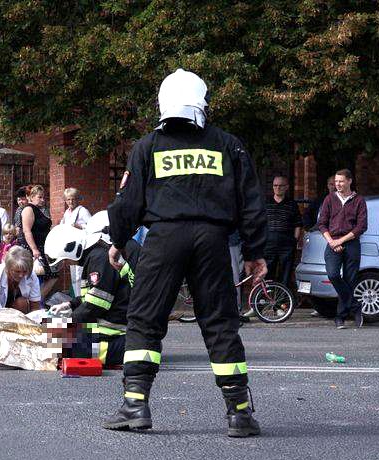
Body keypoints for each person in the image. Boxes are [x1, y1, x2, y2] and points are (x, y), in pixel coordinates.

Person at [103, 69, 268, 438]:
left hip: (163, 239)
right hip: (213, 240)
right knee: (220, 323)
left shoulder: (148, 146)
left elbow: (128, 202)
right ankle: (239, 413)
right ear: (202, 101)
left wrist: (118, 240)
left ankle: (135, 406)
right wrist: (256, 251)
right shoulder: (228, 145)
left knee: (145, 321)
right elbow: (251, 203)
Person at [45, 214, 141, 367]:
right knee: (53, 337)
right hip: (112, 325)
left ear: (72, 249)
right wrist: (70, 305)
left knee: (59, 345)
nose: (68, 263)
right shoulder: (96, 255)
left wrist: (70, 322)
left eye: (65, 260)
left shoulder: (99, 258)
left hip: (114, 331)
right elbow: (94, 295)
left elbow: (97, 304)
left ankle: (126, 351)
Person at [317, 169, 368, 329]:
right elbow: (322, 223)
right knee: (332, 274)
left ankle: (340, 317)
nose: (337, 184)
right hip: (332, 242)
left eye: (341, 181)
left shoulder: (359, 200)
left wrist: (341, 240)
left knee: (349, 280)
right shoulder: (329, 199)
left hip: (351, 243)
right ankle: (355, 306)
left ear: (349, 181)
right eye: (336, 181)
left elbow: (361, 226)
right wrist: (332, 241)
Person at [18, 185, 58, 298]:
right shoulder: (28, 209)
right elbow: (26, 230)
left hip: (41, 246)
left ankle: (36, 300)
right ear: (31, 197)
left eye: (43, 197)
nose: (42, 200)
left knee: (49, 275)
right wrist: (34, 249)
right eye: (39, 197)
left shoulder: (38, 210)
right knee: (45, 275)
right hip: (32, 248)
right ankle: (35, 301)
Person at [264, 176, 302, 289]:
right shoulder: (266, 203)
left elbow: (298, 224)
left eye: (281, 185)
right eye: (275, 185)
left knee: (285, 273)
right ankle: (267, 299)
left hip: (287, 243)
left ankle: (282, 302)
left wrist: (294, 241)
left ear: (287, 187)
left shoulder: (292, 204)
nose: (277, 188)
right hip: (268, 243)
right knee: (267, 272)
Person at [0, 246, 42, 314]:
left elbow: (35, 306)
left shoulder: (31, 275)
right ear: (8, 267)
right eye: (17, 271)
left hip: (17, 312)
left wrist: (38, 321)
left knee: (21, 303)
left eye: (24, 271)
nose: (21, 275)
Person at [60, 188, 93, 296]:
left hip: (81, 246)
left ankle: (81, 295)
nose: (71, 202)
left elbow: (92, 227)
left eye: (73, 199)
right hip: (71, 246)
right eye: (68, 199)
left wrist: (80, 226)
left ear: (77, 199)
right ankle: (77, 295)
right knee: (74, 272)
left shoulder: (82, 211)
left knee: (80, 272)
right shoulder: (67, 212)